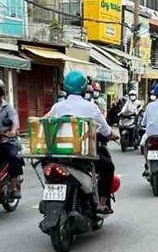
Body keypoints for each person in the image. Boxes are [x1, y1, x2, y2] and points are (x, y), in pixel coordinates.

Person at [45, 70, 115, 212]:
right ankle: (101, 203)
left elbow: (44, 122)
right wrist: (113, 135)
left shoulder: (57, 107)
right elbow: (106, 131)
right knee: (108, 167)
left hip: (59, 153)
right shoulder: (91, 107)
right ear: (84, 88)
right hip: (83, 153)